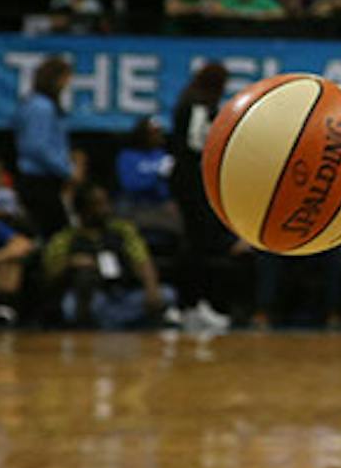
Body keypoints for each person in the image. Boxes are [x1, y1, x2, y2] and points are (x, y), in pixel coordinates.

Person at [44, 184, 175, 329]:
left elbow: (142, 260)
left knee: (168, 294)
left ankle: (112, 323)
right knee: (70, 307)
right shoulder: (65, 238)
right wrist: (71, 263)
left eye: (106, 203)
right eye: (98, 205)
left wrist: (151, 288)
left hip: (124, 293)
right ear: (83, 209)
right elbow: (50, 273)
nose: (106, 209)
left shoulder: (122, 230)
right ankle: (120, 324)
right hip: (93, 297)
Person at [166, 63, 235, 333]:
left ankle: (191, 304)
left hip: (189, 181)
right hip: (193, 184)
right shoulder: (198, 105)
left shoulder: (190, 101)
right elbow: (197, 143)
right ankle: (191, 305)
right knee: (197, 245)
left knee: (198, 245)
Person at [14, 56, 75, 237]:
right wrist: (66, 169)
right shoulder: (41, 107)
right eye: (66, 78)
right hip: (39, 180)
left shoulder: (38, 104)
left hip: (45, 179)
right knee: (57, 234)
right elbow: (37, 147)